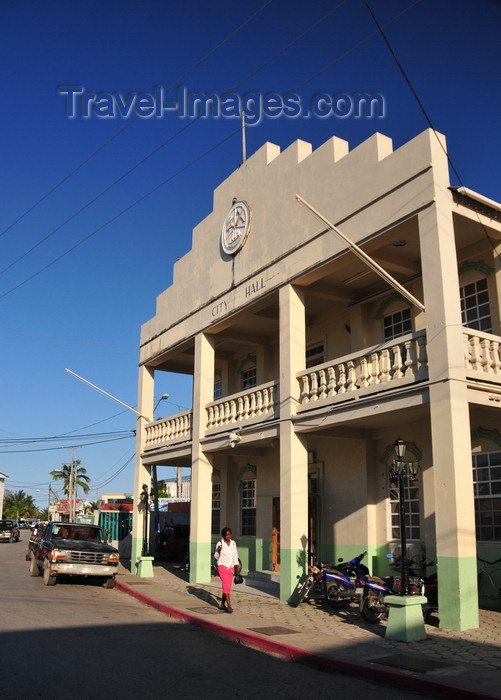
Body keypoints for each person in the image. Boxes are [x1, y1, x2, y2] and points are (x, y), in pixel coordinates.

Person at [214, 527, 240, 613]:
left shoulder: (233, 543)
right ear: (223, 535)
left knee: (227, 587)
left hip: (231, 568)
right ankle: (229, 605)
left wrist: (237, 566)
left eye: (230, 534)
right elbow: (216, 557)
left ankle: (222, 604)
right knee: (226, 585)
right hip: (222, 567)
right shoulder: (220, 543)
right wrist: (219, 551)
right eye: (227, 535)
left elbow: (235, 555)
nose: (229, 536)